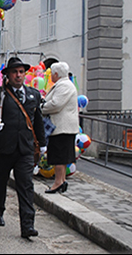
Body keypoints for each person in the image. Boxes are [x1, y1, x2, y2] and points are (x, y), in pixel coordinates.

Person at [0, 57, 46, 239]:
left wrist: (43, 143)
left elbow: (37, 120)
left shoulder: (33, 94)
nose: (18, 75)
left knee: (26, 186)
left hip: (24, 149)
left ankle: (27, 225)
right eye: (14, 72)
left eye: (21, 72)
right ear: (7, 74)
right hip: (2, 147)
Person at [41, 62, 79, 194]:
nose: (50, 75)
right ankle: (61, 181)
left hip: (62, 127)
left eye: (52, 73)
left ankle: (57, 183)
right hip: (63, 127)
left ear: (56, 74)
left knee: (59, 157)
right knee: (61, 157)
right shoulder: (64, 84)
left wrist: (41, 108)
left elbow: (56, 104)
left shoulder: (64, 85)